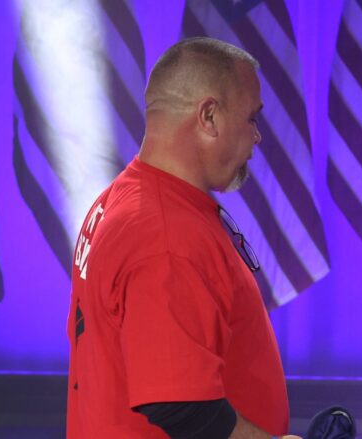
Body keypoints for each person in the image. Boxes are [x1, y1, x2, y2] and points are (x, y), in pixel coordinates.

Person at [66, 37, 293, 438]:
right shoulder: (165, 234)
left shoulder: (123, 197)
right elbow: (181, 404)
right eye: (252, 119)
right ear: (209, 117)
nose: (257, 137)